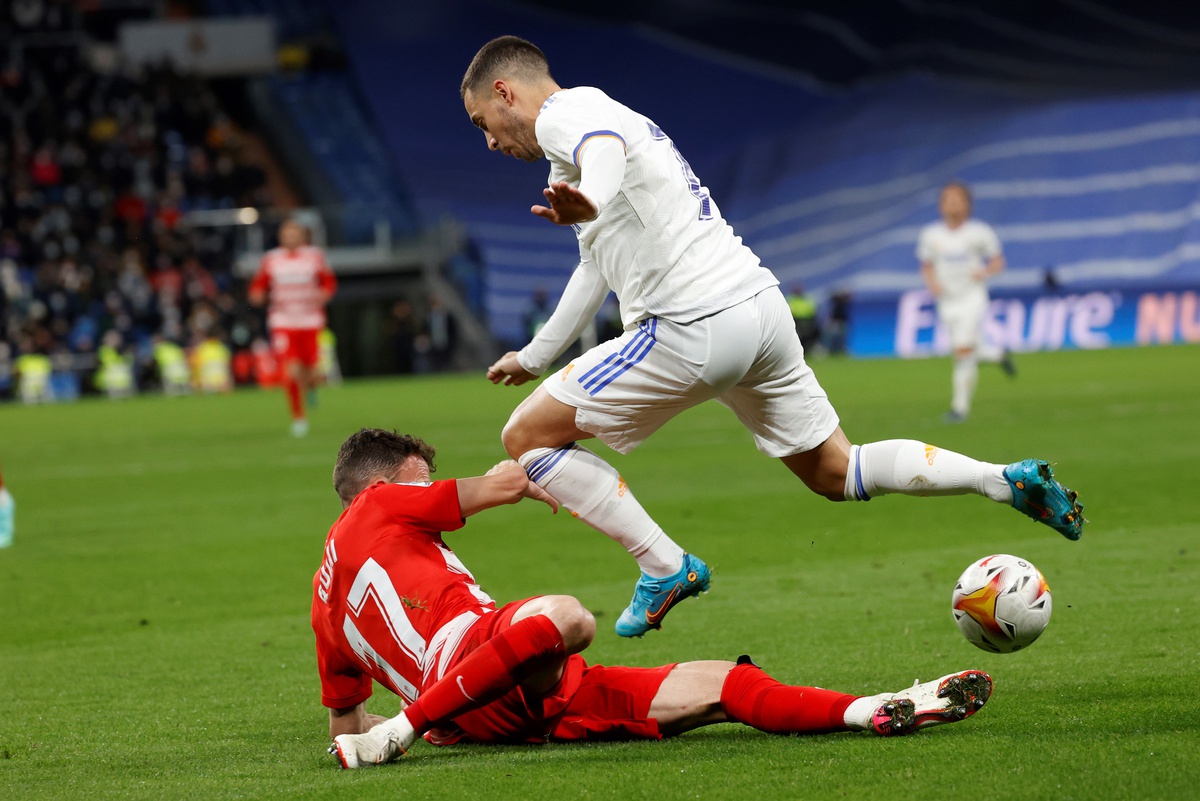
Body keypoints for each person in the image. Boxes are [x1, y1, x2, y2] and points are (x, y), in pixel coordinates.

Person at [460, 36, 1085, 639]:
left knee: (525, 436)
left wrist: (589, 197)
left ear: (505, 91)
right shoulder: (586, 141)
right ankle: (1002, 479)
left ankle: (662, 564)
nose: (487, 141)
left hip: (688, 324)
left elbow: (604, 148)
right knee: (836, 470)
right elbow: (595, 266)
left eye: (482, 121)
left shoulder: (570, 114)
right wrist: (536, 355)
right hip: (758, 309)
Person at [315, 429, 993, 769]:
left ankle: (865, 709)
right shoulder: (382, 503)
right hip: (476, 654)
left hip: (496, 710)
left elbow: (344, 726)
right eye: (419, 482)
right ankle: (406, 730)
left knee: (720, 685)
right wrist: (522, 472)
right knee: (567, 616)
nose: (424, 493)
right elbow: (498, 483)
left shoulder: (322, 603)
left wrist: (403, 711)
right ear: (381, 484)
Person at [918, 182, 1016, 423]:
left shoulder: (979, 232)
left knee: (963, 351)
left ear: (966, 204)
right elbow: (927, 265)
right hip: (947, 301)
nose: (952, 204)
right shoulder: (931, 235)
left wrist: (984, 272)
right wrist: (933, 285)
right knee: (966, 351)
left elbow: (998, 261)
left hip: (972, 298)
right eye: (947, 200)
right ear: (941, 205)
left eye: (957, 199)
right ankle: (998, 354)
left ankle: (959, 408)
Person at [248, 219, 337, 437]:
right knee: (291, 369)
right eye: (287, 233)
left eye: (294, 233)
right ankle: (299, 419)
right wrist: (257, 294)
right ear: (281, 236)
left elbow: (328, 282)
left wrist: (324, 294)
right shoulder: (271, 259)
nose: (291, 237)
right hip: (283, 321)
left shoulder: (314, 256)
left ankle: (312, 388)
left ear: (302, 236)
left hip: (309, 320)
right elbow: (259, 284)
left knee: (311, 369)